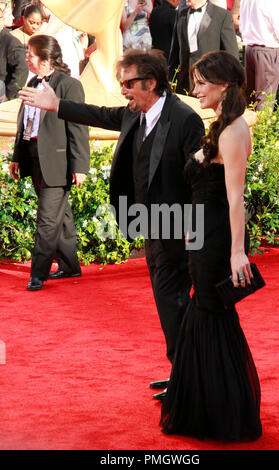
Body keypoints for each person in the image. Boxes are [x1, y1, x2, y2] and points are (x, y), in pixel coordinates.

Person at [18, 48, 205, 396]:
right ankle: (183, 372)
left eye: (128, 84)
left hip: (176, 227)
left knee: (174, 301)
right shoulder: (136, 114)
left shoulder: (183, 118)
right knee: (170, 303)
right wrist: (56, 105)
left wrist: (193, 229)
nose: (123, 91)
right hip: (150, 224)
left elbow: (199, 178)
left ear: (150, 82)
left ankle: (188, 377)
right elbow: (100, 114)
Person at [160, 50, 262, 441]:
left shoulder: (235, 131)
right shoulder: (220, 125)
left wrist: (238, 252)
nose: (195, 89)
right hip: (203, 233)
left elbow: (235, 198)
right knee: (203, 310)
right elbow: (206, 188)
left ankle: (220, 411)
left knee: (211, 313)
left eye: (202, 82)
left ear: (222, 85)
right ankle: (208, 405)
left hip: (220, 238)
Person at [9, 34, 90, 291]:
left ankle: (38, 273)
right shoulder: (32, 80)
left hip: (57, 161)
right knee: (60, 216)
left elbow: (78, 127)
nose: (26, 58)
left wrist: (80, 166)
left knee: (46, 219)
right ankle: (69, 265)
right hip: (33, 157)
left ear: (44, 59)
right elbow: (25, 122)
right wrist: (17, 156)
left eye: (30, 54)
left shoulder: (68, 85)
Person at [168, 0, 239, 94]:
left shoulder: (222, 15)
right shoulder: (181, 14)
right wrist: (170, 79)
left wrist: (230, 87)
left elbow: (231, 55)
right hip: (184, 84)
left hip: (210, 83)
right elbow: (175, 52)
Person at [239, 0, 279, 110]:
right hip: (266, 49)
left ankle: (252, 126)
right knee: (265, 98)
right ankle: (261, 126)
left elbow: (241, 23)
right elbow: (278, 23)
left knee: (252, 97)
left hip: (250, 47)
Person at [0, 4, 28, 101]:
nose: (13, 17)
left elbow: (22, 69)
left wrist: (9, 94)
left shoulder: (11, 42)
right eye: (9, 14)